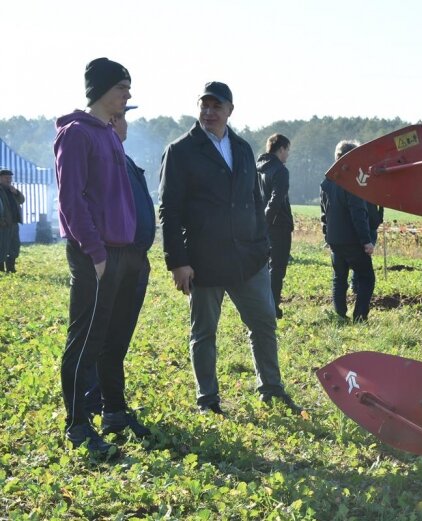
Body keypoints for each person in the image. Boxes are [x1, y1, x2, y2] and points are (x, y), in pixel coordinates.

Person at [159, 81, 301, 416]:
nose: (209, 112)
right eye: (204, 105)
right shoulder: (180, 151)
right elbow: (169, 210)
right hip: (203, 261)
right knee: (204, 332)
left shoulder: (241, 148)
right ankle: (207, 400)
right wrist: (177, 262)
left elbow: (255, 198)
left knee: (264, 323)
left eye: (216, 106)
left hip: (247, 259)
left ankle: (271, 389)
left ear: (230, 110)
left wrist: (262, 243)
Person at [54, 57, 150, 457]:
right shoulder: (76, 133)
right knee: (86, 340)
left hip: (126, 253)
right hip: (96, 254)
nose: (127, 95)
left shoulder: (110, 135)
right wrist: (95, 252)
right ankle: (78, 425)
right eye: (122, 88)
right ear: (101, 91)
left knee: (115, 341)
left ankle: (114, 412)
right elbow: (70, 199)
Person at [82, 106, 156, 426]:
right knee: (104, 338)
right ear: (112, 121)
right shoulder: (102, 158)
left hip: (135, 260)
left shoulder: (122, 158)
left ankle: (112, 405)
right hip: (113, 258)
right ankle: (98, 405)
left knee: (117, 340)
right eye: (122, 115)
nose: (125, 122)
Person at [321, 140, 375, 322]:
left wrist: (326, 234)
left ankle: (340, 314)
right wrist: (366, 241)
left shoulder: (327, 181)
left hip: (335, 239)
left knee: (339, 278)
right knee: (367, 277)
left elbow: (324, 212)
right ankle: (360, 317)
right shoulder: (353, 182)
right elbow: (358, 214)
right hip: (352, 240)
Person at [257, 133, 293, 319]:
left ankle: (264, 304)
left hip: (262, 224)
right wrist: (268, 220)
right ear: (281, 149)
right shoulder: (280, 170)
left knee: (263, 267)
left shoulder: (259, 168)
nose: (288, 155)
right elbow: (277, 199)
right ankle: (272, 307)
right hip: (278, 225)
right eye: (288, 150)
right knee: (277, 268)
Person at [0, 169, 24, 272]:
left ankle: (11, 269)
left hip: (13, 223)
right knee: (2, 247)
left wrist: (17, 192)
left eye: (10, 178)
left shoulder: (11, 190)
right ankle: (0, 270)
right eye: (6, 178)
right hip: (3, 224)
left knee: (14, 246)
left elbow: (22, 200)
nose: (9, 180)